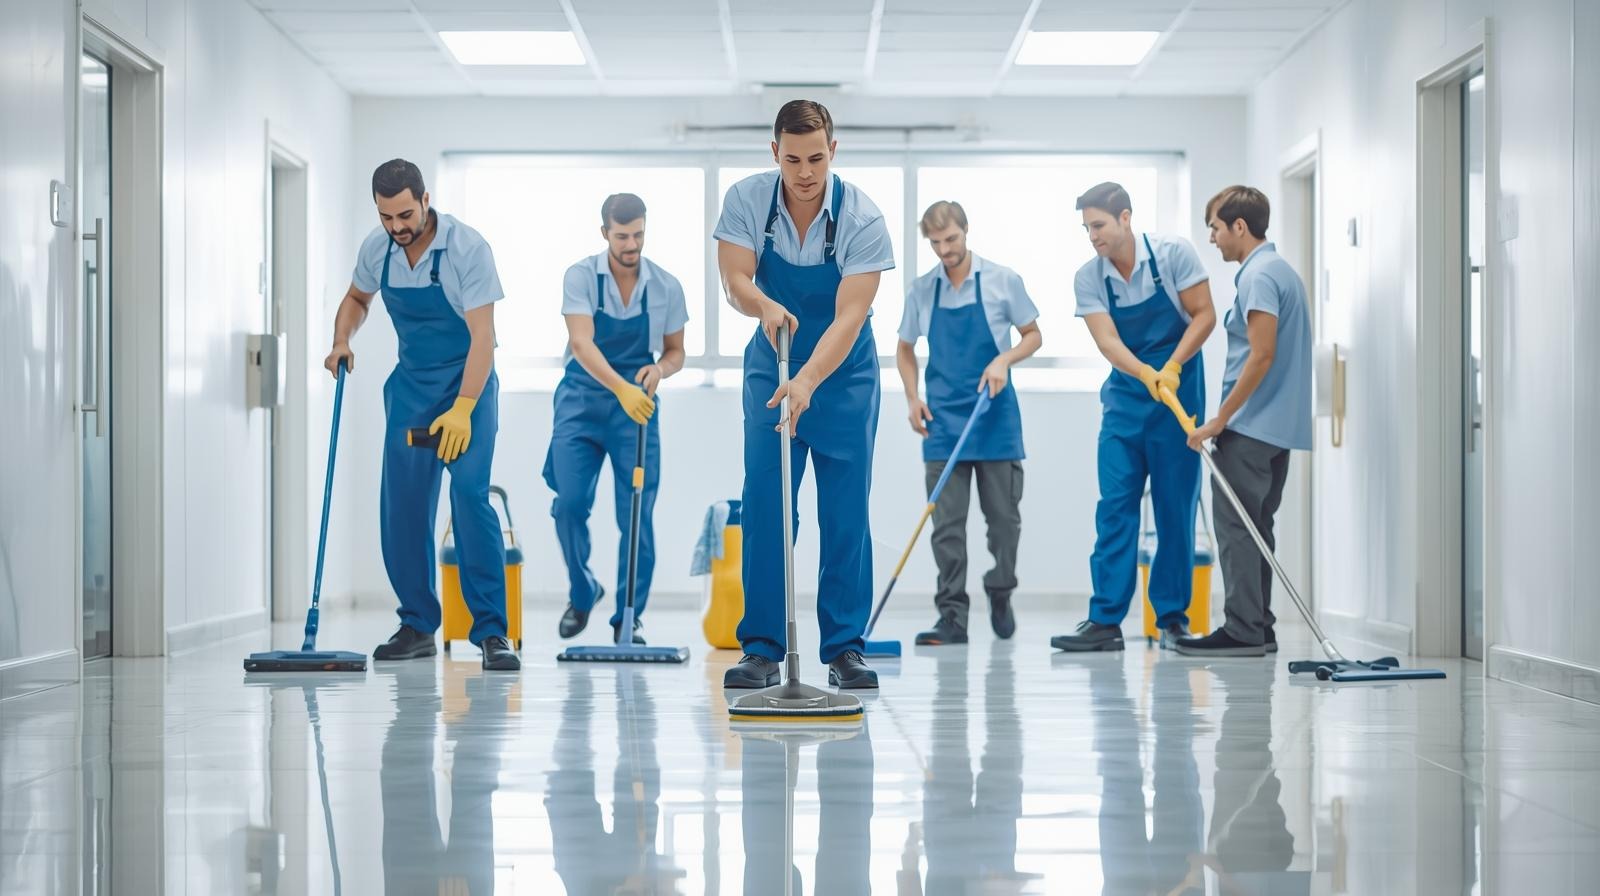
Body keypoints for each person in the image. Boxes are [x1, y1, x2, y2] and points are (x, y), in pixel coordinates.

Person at [714, 99, 895, 690]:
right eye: (792, 159)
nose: (806, 172)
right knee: (767, 504)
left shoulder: (862, 217)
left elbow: (851, 314)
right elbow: (736, 278)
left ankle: (845, 648)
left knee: (845, 512)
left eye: (817, 157)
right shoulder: (746, 200)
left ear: (833, 151)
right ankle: (763, 647)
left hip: (844, 376)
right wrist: (764, 304)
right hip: (773, 363)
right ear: (775, 154)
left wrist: (812, 380)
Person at [324, 158, 518, 671]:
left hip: (468, 386)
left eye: (405, 214)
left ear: (425, 200)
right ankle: (416, 624)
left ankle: (493, 633)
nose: (397, 227)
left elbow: (484, 339)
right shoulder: (378, 247)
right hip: (411, 389)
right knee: (404, 505)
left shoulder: (467, 249)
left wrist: (463, 409)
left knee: (470, 495)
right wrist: (342, 339)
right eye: (387, 217)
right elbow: (356, 298)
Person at [1052, 181, 1215, 654]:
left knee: (1174, 509)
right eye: (1086, 228)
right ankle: (1105, 620)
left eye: (1098, 225)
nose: (1093, 237)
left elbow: (1203, 315)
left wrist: (1172, 367)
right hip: (1125, 401)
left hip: (1178, 401)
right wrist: (1145, 372)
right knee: (1115, 507)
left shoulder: (1173, 256)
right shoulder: (1090, 277)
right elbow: (1107, 341)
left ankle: (1172, 619)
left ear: (1125, 217)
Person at [896, 201, 1042, 646]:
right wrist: (913, 397)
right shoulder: (922, 290)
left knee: (1003, 522)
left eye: (952, 239)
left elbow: (1033, 335)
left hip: (994, 417)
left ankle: (1000, 590)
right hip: (942, 422)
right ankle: (952, 616)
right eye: (937, 243)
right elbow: (905, 348)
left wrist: (1004, 359)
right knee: (946, 527)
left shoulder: (1003, 281)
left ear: (966, 231)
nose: (945, 250)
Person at [545, 193, 688, 645]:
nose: (632, 244)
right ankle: (583, 590)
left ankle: (628, 617)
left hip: (637, 410)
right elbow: (582, 343)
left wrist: (659, 370)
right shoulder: (581, 276)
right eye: (622, 235)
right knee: (568, 504)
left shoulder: (666, 286)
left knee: (636, 514)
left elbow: (675, 351)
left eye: (639, 234)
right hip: (581, 402)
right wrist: (619, 387)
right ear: (604, 231)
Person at [1176, 186, 1312, 657]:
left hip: (1250, 429)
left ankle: (1242, 629)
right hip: (1278, 431)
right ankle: (1259, 625)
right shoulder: (1281, 272)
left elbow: (1262, 355)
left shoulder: (1258, 277)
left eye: (1215, 227)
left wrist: (1219, 420)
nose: (1211, 239)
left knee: (1237, 527)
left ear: (1239, 226)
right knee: (1257, 526)